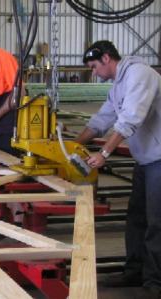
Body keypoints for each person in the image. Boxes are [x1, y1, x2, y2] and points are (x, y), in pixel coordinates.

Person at [75, 40, 161, 298]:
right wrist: (72, 146)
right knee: (136, 218)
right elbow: (103, 119)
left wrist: (104, 153)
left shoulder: (139, 74)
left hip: (159, 158)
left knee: (156, 222)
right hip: (145, 159)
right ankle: (134, 271)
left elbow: (130, 119)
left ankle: (155, 284)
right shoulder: (117, 86)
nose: (94, 73)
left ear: (106, 58)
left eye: (94, 66)